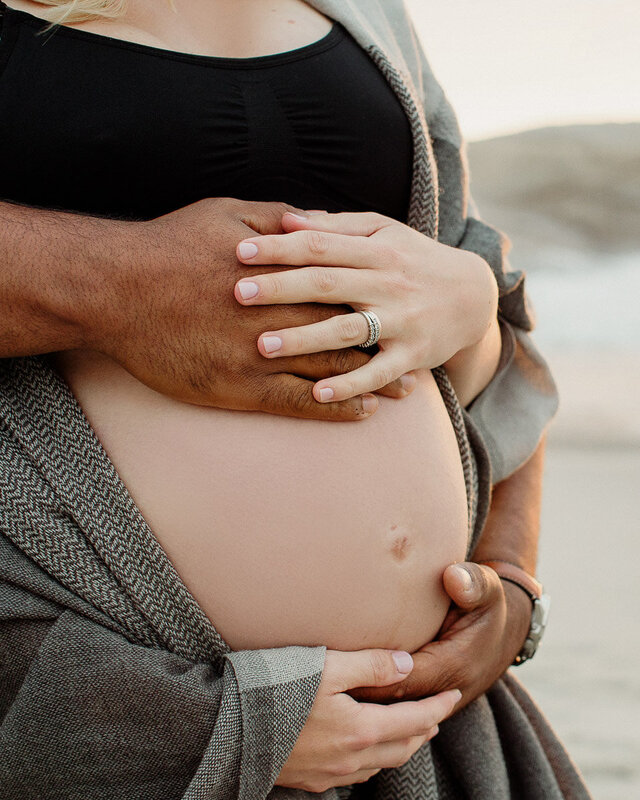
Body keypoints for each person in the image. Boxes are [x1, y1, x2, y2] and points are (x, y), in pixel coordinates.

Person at [0, 0, 588, 797]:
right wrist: (119, 286)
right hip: (92, 673)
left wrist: (512, 583)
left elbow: (493, 312)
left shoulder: (373, 13)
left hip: (408, 730)